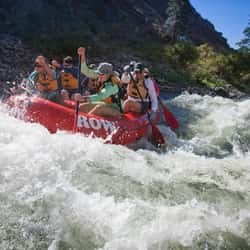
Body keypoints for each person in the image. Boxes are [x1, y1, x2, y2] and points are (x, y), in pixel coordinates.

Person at [74, 47, 122, 117]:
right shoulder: (100, 76)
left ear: (109, 74)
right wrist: (82, 55)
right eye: (98, 73)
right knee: (81, 107)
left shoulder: (113, 84)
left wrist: (83, 98)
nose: (99, 76)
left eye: (101, 74)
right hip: (104, 103)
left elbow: (101, 96)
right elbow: (85, 70)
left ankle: (86, 122)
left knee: (98, 108)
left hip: (115, 109)